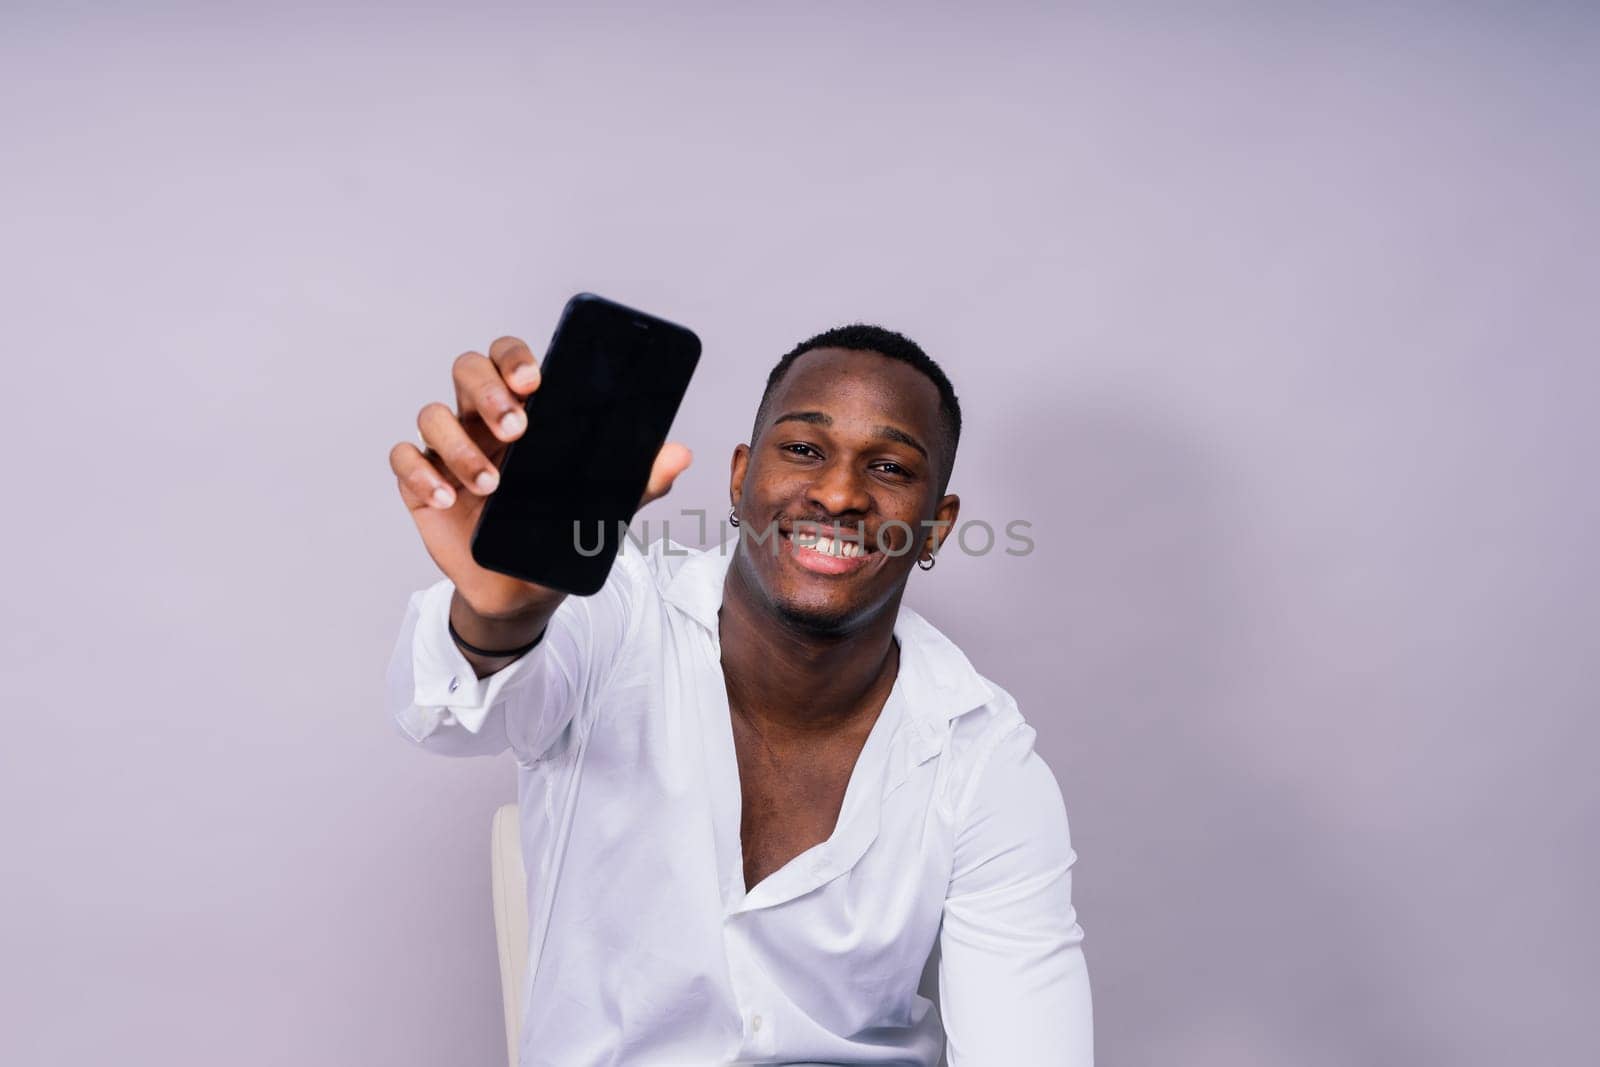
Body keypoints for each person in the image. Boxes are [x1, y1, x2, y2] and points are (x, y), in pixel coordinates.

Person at [384, 323, 1092, 1065]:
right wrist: (503, 613)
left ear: (935, 528)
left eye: (887, 467)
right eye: (804, 450)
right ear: (739, 479)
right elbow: (447, 713)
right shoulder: (614, 612)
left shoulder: (981, 755)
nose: (840, 493)